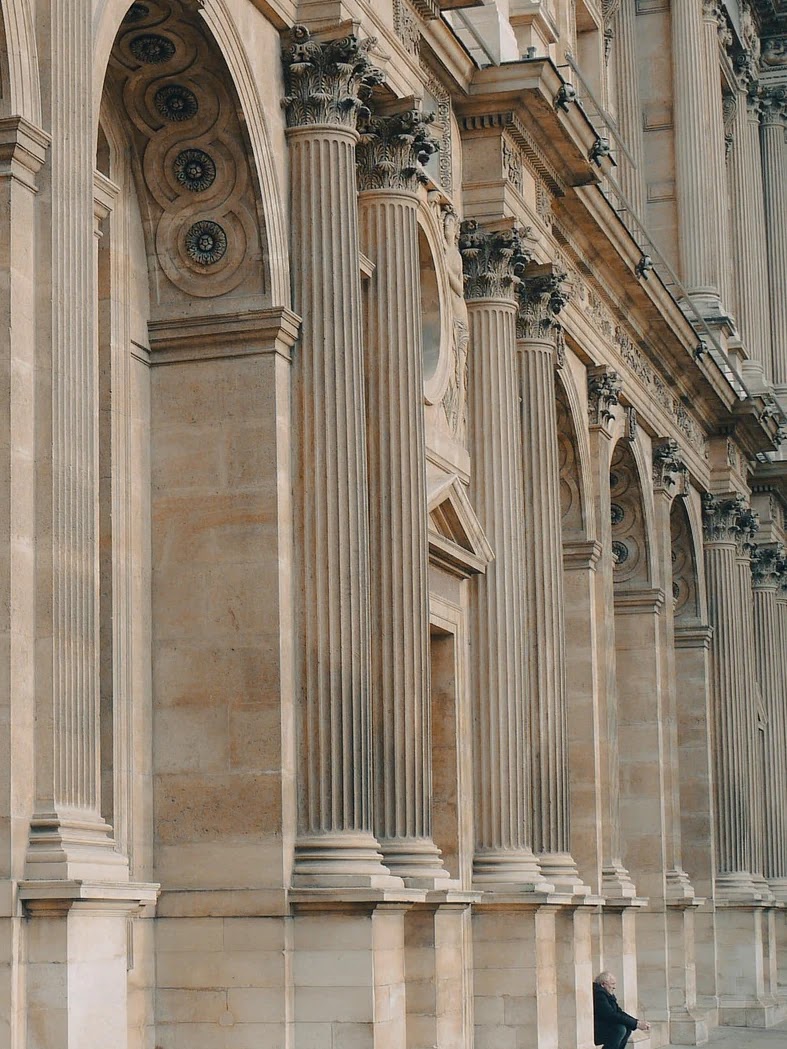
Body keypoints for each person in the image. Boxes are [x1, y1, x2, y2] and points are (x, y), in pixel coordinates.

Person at [593, 971, 650, 1049]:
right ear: (603, 984)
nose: (614, 987)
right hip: (595, 1030)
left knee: (627, 1027)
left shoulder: (607, 994)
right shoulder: (599, 994)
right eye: (612, 984)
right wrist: (636, 1023)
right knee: (620, 1029)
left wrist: (636, 1022)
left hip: (602, 1027)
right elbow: (610, 1015)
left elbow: (619, 1012)